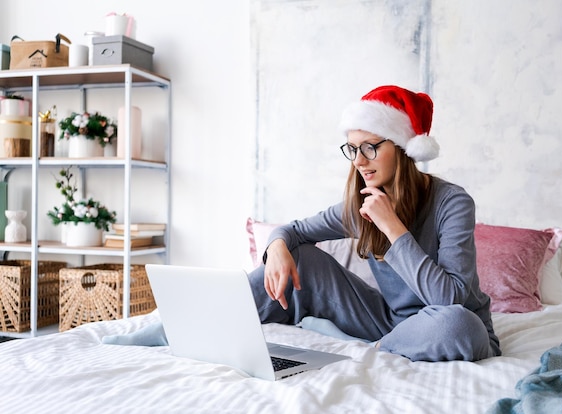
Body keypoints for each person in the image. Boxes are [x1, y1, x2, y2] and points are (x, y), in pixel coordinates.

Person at [104, 85, 501, 362]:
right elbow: (290, 230)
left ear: (400, 149)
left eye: (370, 147)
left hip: (448, 322)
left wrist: (393, 228)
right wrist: (276, 248)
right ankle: (179, 326)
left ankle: (377, 347)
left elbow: (451, 298)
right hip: (388, 320)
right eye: (352, 148)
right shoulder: (359, 202)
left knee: (458, 327)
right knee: (302, 257)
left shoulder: (453, 202)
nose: (359, 160)